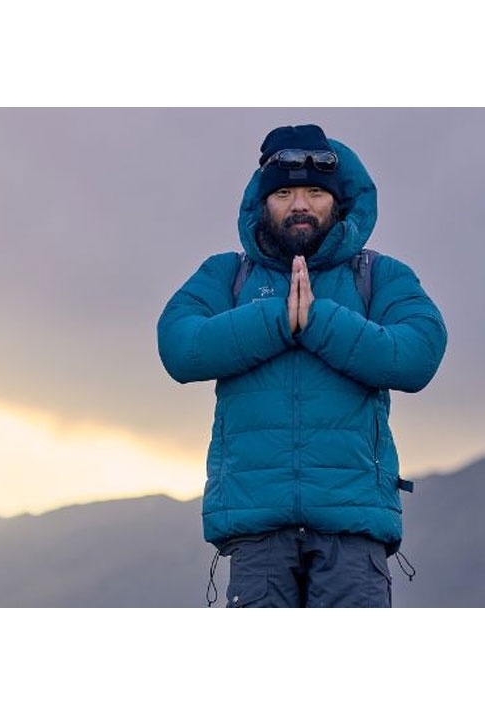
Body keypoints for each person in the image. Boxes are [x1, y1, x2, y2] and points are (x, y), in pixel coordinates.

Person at [157, 124, 448, 607]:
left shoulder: (378, 276)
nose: (300, 205)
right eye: (285, 193)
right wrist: (277, 318)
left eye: (315, 192)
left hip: (352, 533)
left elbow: (418, 354)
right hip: (258, 534)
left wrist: (316, 320)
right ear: (261, 202)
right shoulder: (228, 275)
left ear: (339, 202)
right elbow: (179, 346)